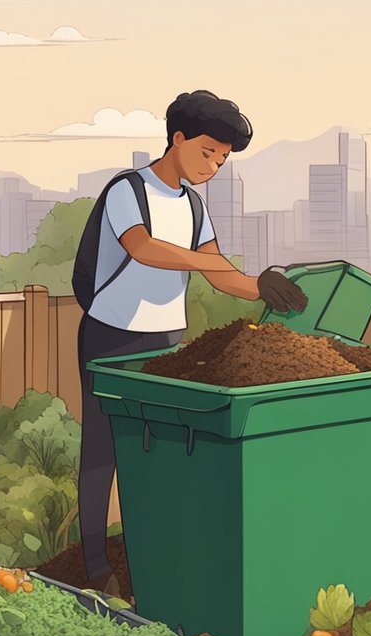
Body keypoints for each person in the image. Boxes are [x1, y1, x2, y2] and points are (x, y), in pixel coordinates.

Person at [73, 90, 308, 595]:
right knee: (102, 451)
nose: (214, 165)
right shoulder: (127, 191)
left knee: (160, 452)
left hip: (166, 340)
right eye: (207, 152)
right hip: (111, 336)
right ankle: (95, 563)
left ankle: (154, 554)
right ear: (177, 139)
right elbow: (145, 249)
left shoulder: (195, 206)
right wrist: (216, 263)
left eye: (222, 159)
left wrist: (260, 287)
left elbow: (222, 277)